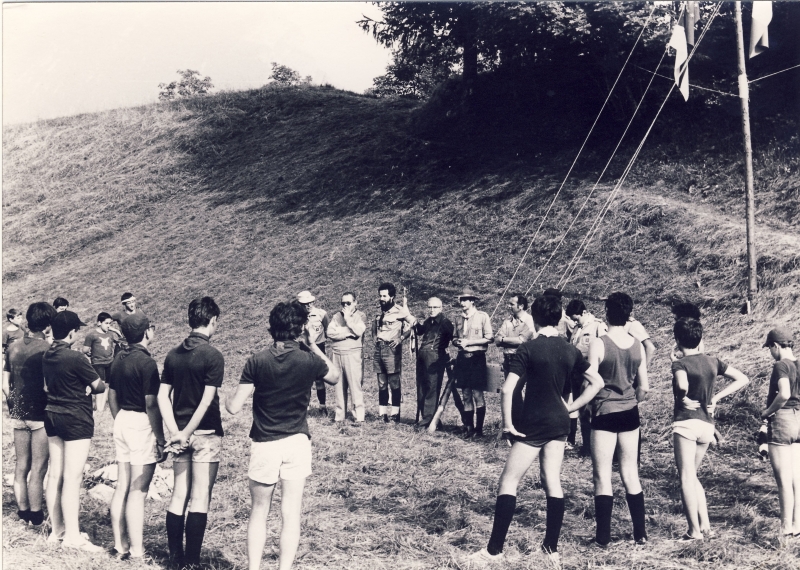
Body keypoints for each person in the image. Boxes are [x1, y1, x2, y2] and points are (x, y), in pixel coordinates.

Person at [470, 295, 604, 567]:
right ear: (558, 318)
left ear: (536, 318)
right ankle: (551, 549)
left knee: (508, 482)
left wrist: (508, 424)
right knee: (552, 482)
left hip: (533, 424)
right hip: (559, 423)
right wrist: (571, 408)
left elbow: (508, 389)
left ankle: (494, 551)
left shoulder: (528, 349)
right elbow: (597, 383)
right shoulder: (570, 349)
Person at [226, 301, 340, 570]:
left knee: (259, 512)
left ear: (271, 328)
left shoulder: (257, 361)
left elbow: (232, 407)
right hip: (297, 441)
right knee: (290, 514)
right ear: (300, 329)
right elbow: (334, 376)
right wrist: (313, 345)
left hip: (265, 443)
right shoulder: (308, 359)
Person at [158, 297, 225, 566]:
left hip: (178, 433)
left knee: (178, 495)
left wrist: (176, 431)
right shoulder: (213, 355)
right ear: (211, 321)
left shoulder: (173, 355)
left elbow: (163, 397)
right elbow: (207, 400)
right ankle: (192, 561)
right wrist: (187, 433)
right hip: (205, 433)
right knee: (199, 497)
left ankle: (175, 559)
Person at [670, 318, 749, 540]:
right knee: (693, 476)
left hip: (686, 422)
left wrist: (681, 396)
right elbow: (742, 378)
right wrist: (717, 397)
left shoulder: (679, 364)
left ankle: (694, 531)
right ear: (700, 338)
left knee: (685, 477)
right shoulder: (713, 361)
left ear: (677, 340)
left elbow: (683, 385)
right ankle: (706, 526)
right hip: (706, 425)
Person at [586, 292, 649, 547]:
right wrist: (630, 399)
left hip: (604, 412)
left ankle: (603, 538)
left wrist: (586, 406)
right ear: (629, 315)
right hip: (630, 412)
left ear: (606, 313)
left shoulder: (599, 342)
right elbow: (644, 387)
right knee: (630, 473)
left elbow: (591, 382)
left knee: (602, 476)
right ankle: (640, 534)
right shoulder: (637, 345)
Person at [42, 310, 106, 551]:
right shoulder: (76, 357)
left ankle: (56, 530)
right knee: (72, 477)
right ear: (71, 332)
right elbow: (98, 386)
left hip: (52, 415)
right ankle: (72, 536)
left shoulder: (46, 354)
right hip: (76, 418)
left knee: (55, 473)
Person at [108, 312, 166, 560]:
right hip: (141, 422)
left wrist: (120, 419)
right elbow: (151, 404)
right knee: (138, 490)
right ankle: (137, 551)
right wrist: (161, 438)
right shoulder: (147, 363)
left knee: (122, 485)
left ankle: (120, 545)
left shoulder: (118, 358)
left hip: (121, 419)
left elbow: (111, 396)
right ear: (147, 332)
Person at [2, 302, 56, 526]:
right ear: (47, 326)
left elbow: (5, 384)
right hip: (40, 414)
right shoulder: (46, 349)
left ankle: (22, 510)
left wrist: (13, 402)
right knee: (39, 467)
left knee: (21, 464)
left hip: (18, 412)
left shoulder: (12, 347)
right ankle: (36, 514)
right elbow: (48, 385)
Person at [760, 326, 799, 541]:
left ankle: (785, 528)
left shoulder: (780, 365)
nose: (770, 353)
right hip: (799, 419)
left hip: (782, 420)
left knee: (783, 479)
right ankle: (797, 524)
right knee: (796, 478)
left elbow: (783, 393)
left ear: (776, 346)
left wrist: (768, 411)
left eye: (770, 348)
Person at [565, 299, 608, 455]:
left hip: (591, 374)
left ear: (584, 313)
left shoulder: (597, 326)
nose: (574, 321)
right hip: (576, 373)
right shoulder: (577, 328)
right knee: (582, 410)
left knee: (591, 411)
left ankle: (594, 446)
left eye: (576, 318)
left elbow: (605, 349)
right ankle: (586, 446)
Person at [452, 286, 493, 439]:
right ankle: (469, 428)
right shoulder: (458, 318)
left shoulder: (482, 316)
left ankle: (479, 429)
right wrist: (458, 342)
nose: (462, 303)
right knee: (466, 394)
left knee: (477, 394)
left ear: (472, 301)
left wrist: (469, 342)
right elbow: (454, 338)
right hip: (463, 359)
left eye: (465, 300)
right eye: (461, 299)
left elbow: (490, 338)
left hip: (477, 358)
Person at [372, 282, 416, 422]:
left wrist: (400, 338)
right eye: (380, 296)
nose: (382, 298)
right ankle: (382, 414)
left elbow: (411, 327)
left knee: (394, 382)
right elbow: (374, 326)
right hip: (379, 348)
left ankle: (395, 414)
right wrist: (374, 337)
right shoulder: (379, 311)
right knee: (381, 383)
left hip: (392, 350)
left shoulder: (400, 311)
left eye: (385, 296)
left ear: (392, 296)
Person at [412, 297, 454, 429]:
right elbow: (420, 331)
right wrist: (414, 323)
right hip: (422, 356)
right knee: (421, 386)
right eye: (429, 307)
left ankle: (428, 419)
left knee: (432, 387)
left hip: (435, 358)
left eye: (435, 307)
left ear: (441, 308)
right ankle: (427, 416)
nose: (432, 310)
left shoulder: (446, 323)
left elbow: (453, 337)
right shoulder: (428, 321)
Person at [326, 291, 367, 423]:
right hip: (337, 354)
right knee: (338, 387)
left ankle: (358, 416)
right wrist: (348, 332)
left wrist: (348, 321)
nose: (345, 306)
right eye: (343, 303)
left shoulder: (360, 315)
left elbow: (359, 331)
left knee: (355, 387)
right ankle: (339, 416)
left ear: (355, 303)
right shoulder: (336, 316)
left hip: (352, 353)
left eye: (348, 303)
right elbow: (330, 332)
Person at [297, 291, 331, 416]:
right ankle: (304, 407)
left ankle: (322, 406)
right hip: (303, 349)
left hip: (319, 348)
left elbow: (328, 330)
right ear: (300, 304)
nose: (308, 305)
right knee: (305, 380)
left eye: (310, 302)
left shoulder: (321, 314)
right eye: (305, 303)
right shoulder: (296, 317)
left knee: (319, 379)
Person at [81, 312, 116, 413]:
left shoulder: (110, 334)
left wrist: (114, 330)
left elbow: (114, 343)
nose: (108, 326)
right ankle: (98, 406)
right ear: (99, 323)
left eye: (110, 323)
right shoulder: (92, 335)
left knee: (108, 384)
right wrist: (89, 353)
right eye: (106, 323)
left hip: (110, 362)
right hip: (97, 363)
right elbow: (85, 349)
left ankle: (102, 406)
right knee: (101, 384)